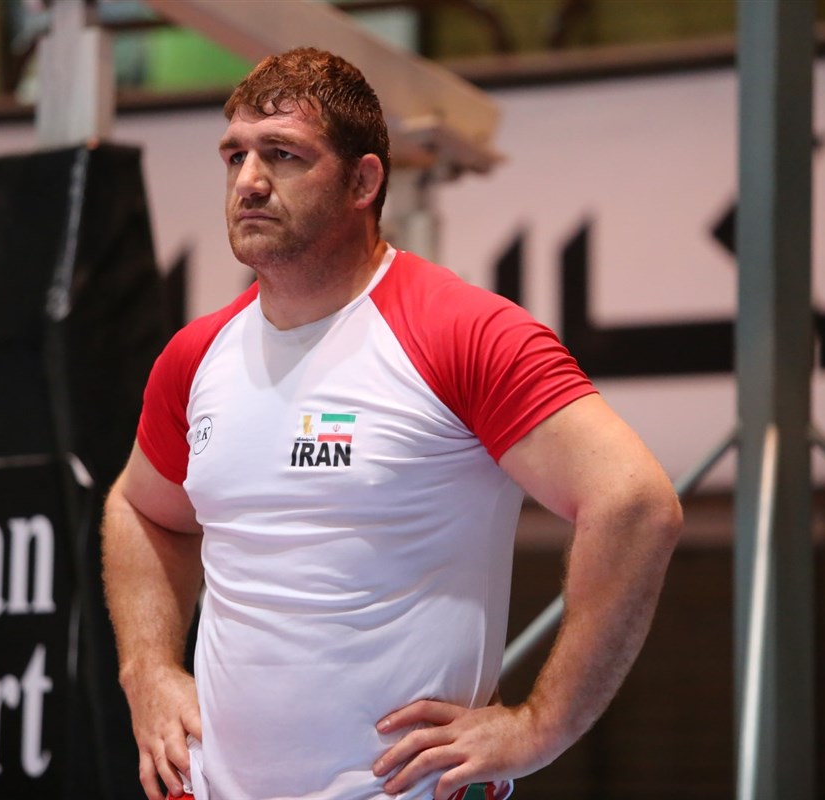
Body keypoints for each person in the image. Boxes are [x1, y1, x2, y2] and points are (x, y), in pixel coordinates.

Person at [101, 47, 682, 800]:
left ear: (364, 181)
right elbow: (141, 509)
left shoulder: (462, 332)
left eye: (283, 155)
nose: (249, 181)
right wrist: (148, 670)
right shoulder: (196, 355)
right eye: (235, 155)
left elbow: (635, 504)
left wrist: (541, 726)